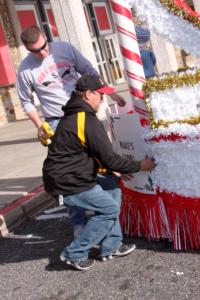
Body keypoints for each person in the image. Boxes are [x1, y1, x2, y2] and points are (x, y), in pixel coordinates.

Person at [17, 25, 126, 234]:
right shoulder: (25, 70)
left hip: (84, 114)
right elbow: (26, 101)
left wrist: (110, 93)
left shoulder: (64, 49)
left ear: (46, 39)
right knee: (70, 176)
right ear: (27, 49)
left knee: (102, 163)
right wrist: (39, 126)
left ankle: (109, 218)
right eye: (36, 51)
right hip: (57, 122)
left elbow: (90, 72)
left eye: (44, 46)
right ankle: (79, 224)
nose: (43, 52)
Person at [42, 75, 156, 271]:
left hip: (75, 174)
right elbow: (109, 157)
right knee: (109, 209)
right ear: (88, 94)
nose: (103, 99)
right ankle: (74, 253)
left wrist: (113, 168)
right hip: (67, 182)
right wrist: (140, 166)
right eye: (100, 94)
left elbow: (90, 155)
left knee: (112, 186)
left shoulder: (76, 116)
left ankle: (111, 246)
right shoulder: (85, 120)